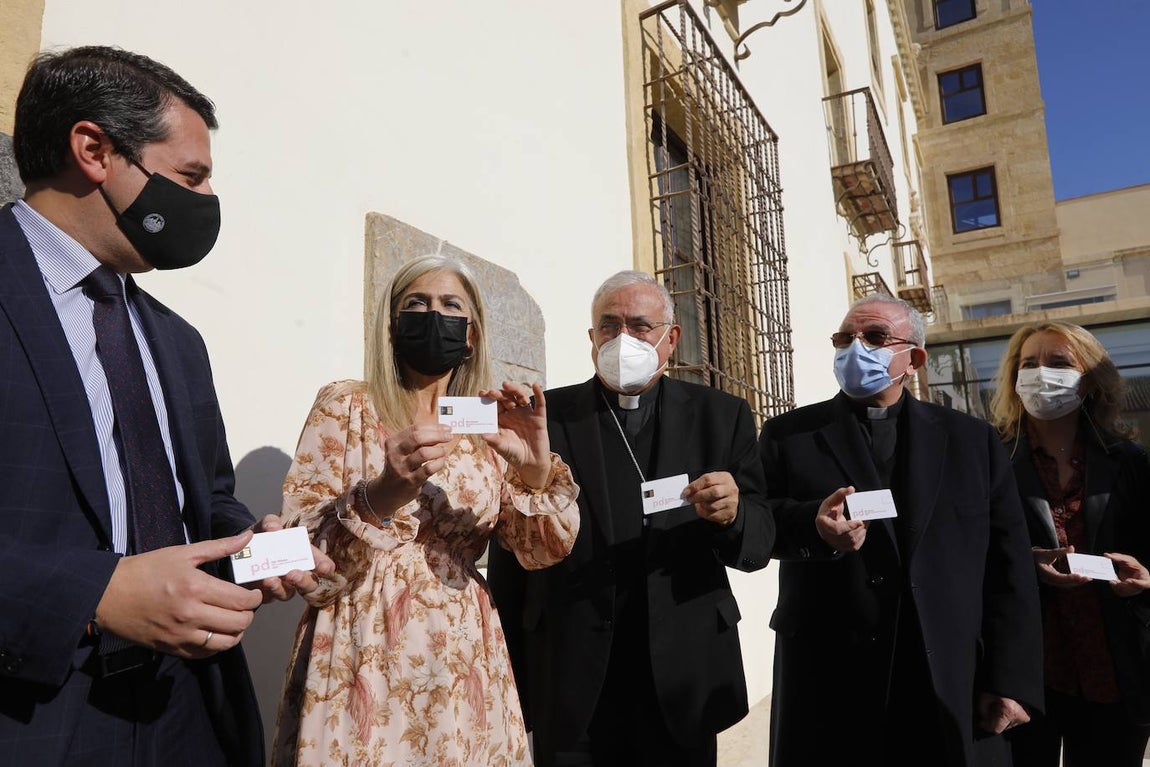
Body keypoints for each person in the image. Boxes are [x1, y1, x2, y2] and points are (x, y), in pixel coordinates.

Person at [0, 46, 330, 766]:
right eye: (191, 175)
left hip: (189, 711)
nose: (206, 200)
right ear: (93, 150)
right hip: (34, 712)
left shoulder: (178, 342)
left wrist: (251, 546)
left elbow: (207, 499)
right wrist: (96, 595)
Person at [271, 254, 581, 767]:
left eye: (449, 304)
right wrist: (381, 494)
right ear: (393, 324)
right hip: (360, 643)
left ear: (473, 333)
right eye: (417, 303)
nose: (433, 314)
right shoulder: (346, 405)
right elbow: (296, 545)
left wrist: (533, 469)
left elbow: (541, 551)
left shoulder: (485, 423)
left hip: (460, 651)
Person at [487, 270, 774, 767]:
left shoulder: (720, 416)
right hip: (571, 664)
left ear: (671, 338)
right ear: (592, 338)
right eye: (609, 326)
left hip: (682, 667)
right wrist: (507, 666)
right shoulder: (546, 418)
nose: (623, 339)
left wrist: (734, 515)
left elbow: (759, 537)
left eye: (640, 326)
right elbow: (510, 548)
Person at [759, 293, 1043, 767]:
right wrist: (812, 526)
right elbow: (760, 521)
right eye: (844, 339)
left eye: (872, 338)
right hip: (830, 671)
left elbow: (1008, 563)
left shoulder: (972, 441)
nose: (854, 350)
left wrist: (1011, 679)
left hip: (944, 667)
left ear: (913, 359)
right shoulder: (790, 435)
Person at [989, 321, 1150, 766]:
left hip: (1114, 672)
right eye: (1029, 364)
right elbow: (964, 554)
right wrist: (1025, 564)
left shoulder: (1130, 461)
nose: (1042, 373)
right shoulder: (990, 459)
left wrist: (1146, 578)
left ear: (1090, 380)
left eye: (1059, 363)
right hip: (1027, 676)